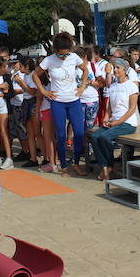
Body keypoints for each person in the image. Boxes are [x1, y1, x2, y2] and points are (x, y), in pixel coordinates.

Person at [34, 32, 90, 176]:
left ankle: (76, 163)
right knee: (61, 135)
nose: (64, 57)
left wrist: (82, 86)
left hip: (74, 100)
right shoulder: (49, 60)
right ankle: (64, 167)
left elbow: (85, 70)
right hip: (57, 102)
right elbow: (35, 75)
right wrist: (43, 91)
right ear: (56, 50)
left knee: (79, 133)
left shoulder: (74, 57)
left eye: (66, 55)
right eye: (61, 55)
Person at [88, 58, 138, 181]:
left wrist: (118, 122)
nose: (114, 70)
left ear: (125, 70)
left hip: (127, 123)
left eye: (117, 68)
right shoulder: (113, 86)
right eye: (114, 67)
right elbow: (109, 107)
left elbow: (132, 109)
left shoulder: (131, 86)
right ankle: (105, 166)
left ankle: (108, 167)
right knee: (94, 137)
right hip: (114, 121)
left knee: (104, 137)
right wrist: (106, 118)